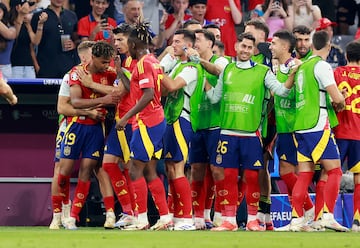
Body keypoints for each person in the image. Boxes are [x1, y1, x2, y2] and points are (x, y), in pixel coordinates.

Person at [207, 32, 297, 231]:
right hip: (228, 133)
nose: (246, 50)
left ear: (253, 50)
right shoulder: (227, 70)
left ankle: (252, 220)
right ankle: (229, 221)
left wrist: (292, 75)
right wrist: (202, 80)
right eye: (243, 46)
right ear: (236, 46)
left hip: (251, 135)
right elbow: (214, 98)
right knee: (228, 177)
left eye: (249, 47)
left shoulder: (263, 72)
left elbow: (282, 91)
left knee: (252, 177)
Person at [76, 23, 138, 229]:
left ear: (131, 40)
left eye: (121, 39)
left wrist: (91, 84)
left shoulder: (132, 62)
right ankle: (129, 211)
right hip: (120, 119)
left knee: (130, 168)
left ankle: (138, 212)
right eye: (116, 39)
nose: (117, 43)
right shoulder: (122, 62)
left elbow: (119, 93)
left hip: (131, 120)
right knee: (109, 164)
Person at [48, 41, 113, 230]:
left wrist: (94, 89)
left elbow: (120, 92)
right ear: (87, 57)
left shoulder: (109, 73)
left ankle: (76, 215)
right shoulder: (71, 75)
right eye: (103, 62)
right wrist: (93, 109)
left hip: (96, 128)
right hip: (71, 125)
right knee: (61, 170)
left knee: (94, 168)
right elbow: (64, 107)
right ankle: (58, 213)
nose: (106, 65)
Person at [115, 22, 172, 231]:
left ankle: (141, 219)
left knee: (134, 169)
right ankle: (165, 217)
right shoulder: (151, 61)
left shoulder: (144, 63)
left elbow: (148, 96)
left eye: (125, 42)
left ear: (132, 42)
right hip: (152, 120)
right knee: (149, 171)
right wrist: (120, 72)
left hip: (147, 121)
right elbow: (137, 91)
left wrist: (125, 117)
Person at [289, 30, 348, 232]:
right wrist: (342, 99)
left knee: (304, 173)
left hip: (301, 125)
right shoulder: (322, 66)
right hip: (317, 123)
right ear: (329, 46)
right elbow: (337, 98)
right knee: (335, 170)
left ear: (312, 45)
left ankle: (296, 220)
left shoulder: (303, 66)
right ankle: (327, 216)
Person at [269, 29, 315, 232]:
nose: (271, 46)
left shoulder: (296, 67)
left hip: (295, 128)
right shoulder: (279, 67)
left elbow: (300, 94)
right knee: (288, 172)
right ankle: (304, 215)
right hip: (283, 128)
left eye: (274, 43)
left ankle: (306, 211)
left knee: (290, 172)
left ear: (285, 47)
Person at [160, 28, 204, 231]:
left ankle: (187, 217)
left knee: (178, 168)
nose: (173, 45)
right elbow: (160, 89)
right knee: (170, 169)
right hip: (170, 118)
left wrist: (157, 68)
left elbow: (172, 87)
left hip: (182, 119)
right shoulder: (178, 65)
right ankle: (177, 215)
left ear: (188, 45)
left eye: (177, 42)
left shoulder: (192, 69)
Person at [187, 29, 229, 230]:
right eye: (193, 39)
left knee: (217, 170)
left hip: (216, 124)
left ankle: (221, 215)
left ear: (211, 44)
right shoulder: (190, 63)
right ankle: (199, 216)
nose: (195, 43)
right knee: (196, 170)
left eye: (198, 40)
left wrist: (199, 62)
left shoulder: (220, 61)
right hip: (197, 123)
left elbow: (220, 72)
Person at [333, 40, 360, 232]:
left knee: (331, 174)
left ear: (347, 56)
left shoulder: (337, 73)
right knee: (359, 178)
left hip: (340, 132)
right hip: (359, 135)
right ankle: (357, 221)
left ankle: (327, 215)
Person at [31, 0, 79, 78]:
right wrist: (36, 66)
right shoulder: (38, 16)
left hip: (68, 67)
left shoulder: (71, 15)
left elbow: (77, 39)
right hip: (45, 67)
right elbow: (31, 44)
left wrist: (74, 44)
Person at [11, 3, 48, 79]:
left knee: (31, 89)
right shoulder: (12, 22)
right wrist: (21, 15)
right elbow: (15, 37)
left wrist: (40, 24)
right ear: (18, 7)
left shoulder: (27, 24)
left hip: (28, 65)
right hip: (15, 65)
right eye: (27, 5)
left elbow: (35, 41)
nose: (29, 7)